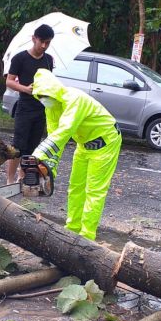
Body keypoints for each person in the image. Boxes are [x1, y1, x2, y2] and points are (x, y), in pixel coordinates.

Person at [28, 68, 122, 240]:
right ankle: (72, 229)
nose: (43, 100)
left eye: (45, 95)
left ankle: (87, 236)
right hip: (84, 145)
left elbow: (65, 130)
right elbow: (55, 139)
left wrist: (38, 154)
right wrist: (48, 168)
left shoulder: (74, 99)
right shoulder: (52, 108)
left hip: (105, 142)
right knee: (75, 187)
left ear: (53, 90)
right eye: (39, 97)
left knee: (94, 191)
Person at [5, 24, 55, 184]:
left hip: (41, 109)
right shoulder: (20, 58)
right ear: (34, 38)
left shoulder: (49, 60)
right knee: (18, 146)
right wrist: (25, 89)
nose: (44, 46)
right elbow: (9, 82)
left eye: (48, 42)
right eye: (42, 42)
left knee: (33, 147)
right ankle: (9, 180)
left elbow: (49, 81)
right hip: (24, 108)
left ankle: (23, 176)